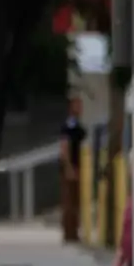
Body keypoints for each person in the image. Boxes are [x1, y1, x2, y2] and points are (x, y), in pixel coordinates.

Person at [60, 96, 87, 244]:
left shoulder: (78, 126)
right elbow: (64, 147)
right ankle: (69, 233)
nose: (80, 108)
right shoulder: (69, 126)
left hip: (79, 167)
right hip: (71, 167)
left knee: (76, 201)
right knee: (69, 201)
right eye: (78, 105)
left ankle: (74, 232)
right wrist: (69, 167)